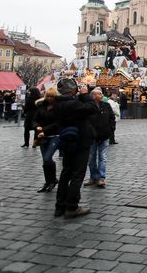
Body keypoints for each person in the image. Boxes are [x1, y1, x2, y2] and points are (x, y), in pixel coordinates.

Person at [40, 79, 98, 218]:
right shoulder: (72, 103)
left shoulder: (57, 104)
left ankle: (60, 206)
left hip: (67, 142)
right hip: (80, 141)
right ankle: (72, 206)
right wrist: (85, 94)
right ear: (72, 90)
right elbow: (92, 108)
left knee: (66, 173)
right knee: (77, 174)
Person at [85, 87, 114, 188]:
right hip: (92, 137)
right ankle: (93, 176)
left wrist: (111, 130)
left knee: (103, 158)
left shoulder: (106, 105)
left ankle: (101, 177)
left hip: (104, 135)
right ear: (93, 96)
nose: (100, 96)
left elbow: (112, 118)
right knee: (91, 158)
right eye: (98, 94)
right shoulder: (88, 107)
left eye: (101, 94)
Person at [33, 88, 61, 192]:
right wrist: (37, 127)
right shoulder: (41, 106)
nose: (49, 98)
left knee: (48, 158)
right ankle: (49, 181)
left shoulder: (59, 107)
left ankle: (52, 180)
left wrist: (44, 129)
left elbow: (58, 123)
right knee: (45, 160)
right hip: (42, 136)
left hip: (54, 135)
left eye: (52, 96)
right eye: (48, 96)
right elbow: (35, 119)